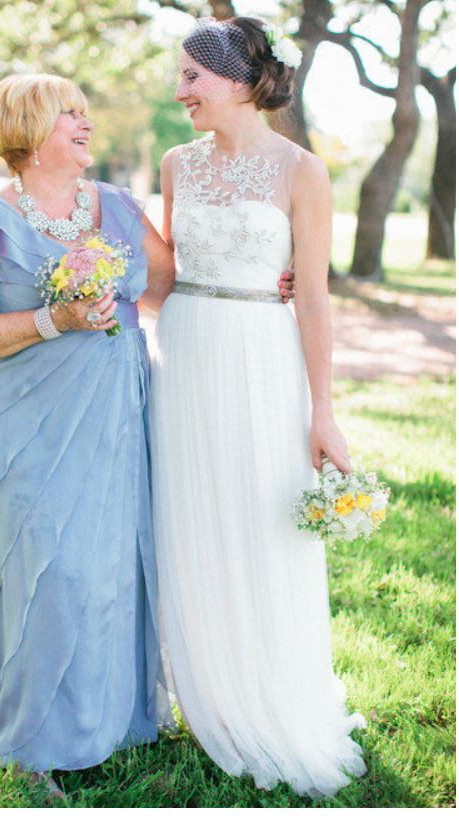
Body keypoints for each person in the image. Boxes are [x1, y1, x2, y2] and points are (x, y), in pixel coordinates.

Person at [0, 72, 178, 800]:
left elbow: (171, 286)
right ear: (27, 132)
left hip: (117, 409)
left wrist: (265, 286)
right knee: (51, 569)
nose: (85, 123)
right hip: (26, 424)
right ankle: (35, 740)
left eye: (84, 109)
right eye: (67, 114)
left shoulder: (118, 204)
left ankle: (114, 723)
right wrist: (55, 318)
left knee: (114, 563)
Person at [150, 17, 367, 798]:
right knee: (193, 513)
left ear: (239, 82)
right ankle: (203, 684)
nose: (181, 93)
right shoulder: (177, 164)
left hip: (261, 360)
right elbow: (168, 271)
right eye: (180, 77)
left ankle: (270, 689)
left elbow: (312, 299)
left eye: (192, 78)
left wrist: (324, 411)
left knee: (261, 518)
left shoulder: (302, 172)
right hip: (185, 354)